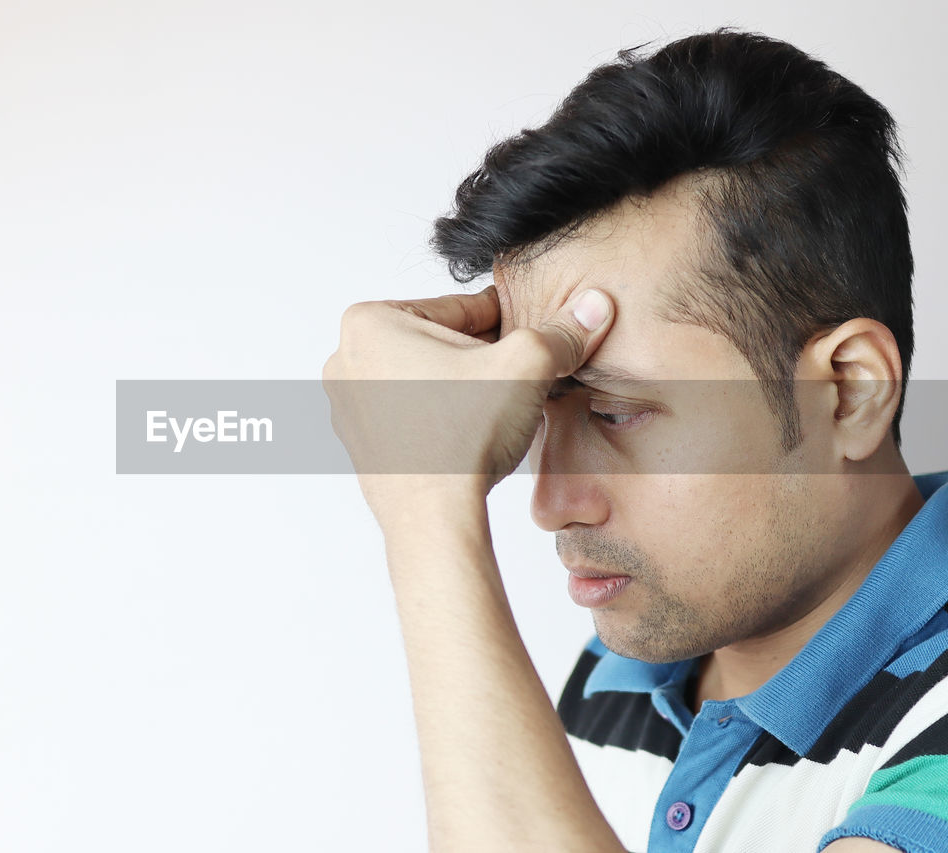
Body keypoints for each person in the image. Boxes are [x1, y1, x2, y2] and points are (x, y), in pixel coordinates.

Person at [323, 29, 948, 853]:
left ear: (850, 389)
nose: (549, 502)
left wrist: (426, 510)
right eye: (540, 411)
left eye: (615, 413)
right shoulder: (630, 666)